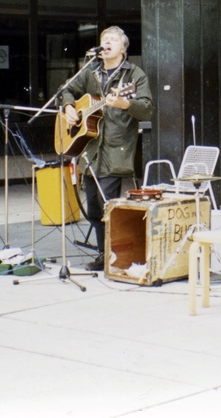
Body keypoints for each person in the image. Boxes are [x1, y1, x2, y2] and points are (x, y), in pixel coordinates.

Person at [62, 26, 153, 272]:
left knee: (107, 204)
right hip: (91, 150)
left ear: (123, 48)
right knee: (93, 206)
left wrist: (125, 103)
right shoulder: (90, 71)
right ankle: (106, 252)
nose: (107, 43)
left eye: (112, 40)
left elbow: (146, 108)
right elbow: (67, 90)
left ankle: (113, 256)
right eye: (104, 40)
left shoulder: (134, 75)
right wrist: (69, 107)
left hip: (116, 149)